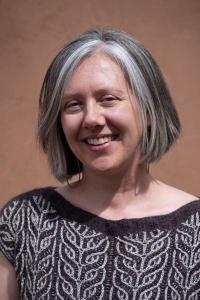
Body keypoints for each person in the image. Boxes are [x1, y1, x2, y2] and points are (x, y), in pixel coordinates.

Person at [0, 28, 199, 300]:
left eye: (108, 99)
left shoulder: (196, 230)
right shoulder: (25, 220)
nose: (91, 119)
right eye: (73, 104)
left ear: (150, 109)